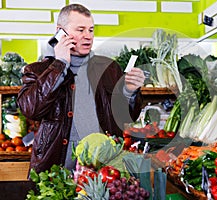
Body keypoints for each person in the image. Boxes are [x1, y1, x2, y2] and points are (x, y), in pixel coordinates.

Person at [17, 3, 145, 174]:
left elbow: (124, 117)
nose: (87, 36)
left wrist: (129, 91)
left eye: (91, 30)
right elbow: (30, 109)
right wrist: (60, 64)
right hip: (56, 167)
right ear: (60, 32)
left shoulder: (109, 68)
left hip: (103, 171)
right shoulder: (37, 71)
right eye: (80, 30)